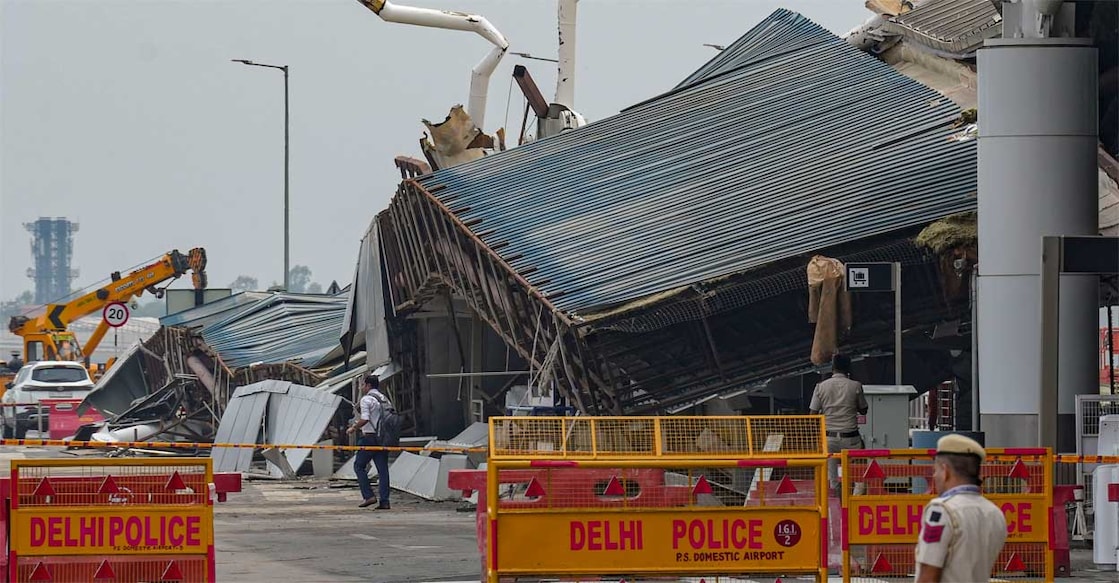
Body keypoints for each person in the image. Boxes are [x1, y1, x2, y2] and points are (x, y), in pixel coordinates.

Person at [915, 434, 1007, 582]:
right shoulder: (994, 513)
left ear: (945, 471)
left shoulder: (941, 511)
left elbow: (928, 574)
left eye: (935, 470)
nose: (934, 476)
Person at [808, 353, 868, 491]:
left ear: (833, 367)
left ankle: (837, 504)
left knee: (832, 478)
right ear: (848, 368)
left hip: (829, 439)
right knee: (858, 474)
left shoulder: (821, 387)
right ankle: (855, 501)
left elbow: (812, 414)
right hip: (851, 439)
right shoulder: (856, 386)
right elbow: (864, 410)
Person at [346, 374, 391, 509]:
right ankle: (385, 501)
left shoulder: (366, 399)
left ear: (368, 385)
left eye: (363, 385)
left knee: (359, 466)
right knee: (383, 470)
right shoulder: (384, 399)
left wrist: (353, 428)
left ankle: (369, 496)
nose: (362, 387)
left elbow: (365, 418)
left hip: (369, 438)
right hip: (383, 438)